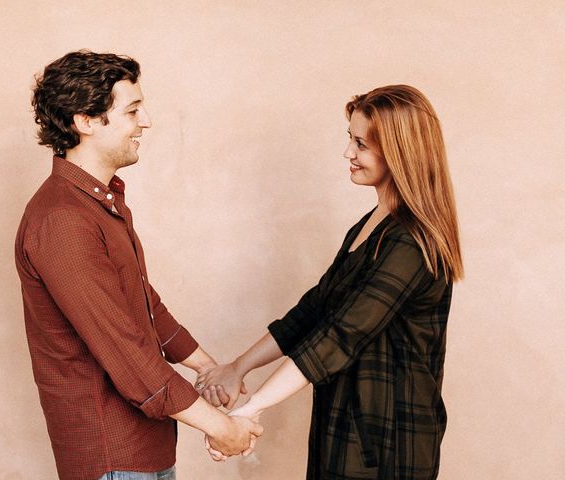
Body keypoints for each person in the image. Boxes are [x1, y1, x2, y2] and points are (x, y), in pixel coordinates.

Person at [14, 50, 262, 480]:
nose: (146, 121)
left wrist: (208, 367)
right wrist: (222, 428)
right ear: (86, 121)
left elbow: (144, 305)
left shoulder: (98, 203)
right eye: (132, 110)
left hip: (143, 448)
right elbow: (127, 354)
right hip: (112, 456)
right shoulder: (62, 220)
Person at [196, 85, 463, 479]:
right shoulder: (370, 226)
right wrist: (239, 367)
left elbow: (341, 335)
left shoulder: (411, 241)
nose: (348, 154)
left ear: (399, 152)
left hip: (389, 442)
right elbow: (314, 310)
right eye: (349, 140)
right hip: (344, 426)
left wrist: (250, 410)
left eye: (361, 144)